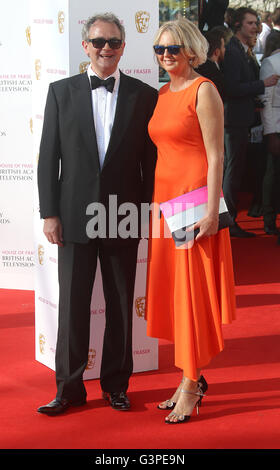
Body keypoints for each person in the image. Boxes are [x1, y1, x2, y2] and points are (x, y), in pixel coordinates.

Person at [37, 13, 157, 415]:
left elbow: (151, 162)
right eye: (99, 42)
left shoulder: (145, 95)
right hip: (72, 215)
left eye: (114, 42)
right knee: (72, 304)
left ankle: (117, 385)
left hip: (123, 214)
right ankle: (68, 388)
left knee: (122, 304)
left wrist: (145, 211)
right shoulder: (60, 92)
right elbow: (47, 159)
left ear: (124, 46)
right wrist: (49, 212)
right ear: (86, 45)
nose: (107, 49)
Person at [145, 18, 236, 424]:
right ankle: (187, 377)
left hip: (193, 204)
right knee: (175, 294)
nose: (166, 56)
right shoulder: (164, 93)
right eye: (160, 50)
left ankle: (190, 383)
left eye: (173, 49)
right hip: (165, 205)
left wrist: (210, 212)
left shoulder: (204, 91)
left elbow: (217, 155)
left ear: (191, 50)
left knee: (191, 295)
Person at [222, 7, 279, 238]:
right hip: (233, 121)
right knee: (232, 172)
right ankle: (229, 222)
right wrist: (262, 85)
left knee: (234, 170)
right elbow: (231, 88)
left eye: (256, 23)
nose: (256, 27)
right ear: (238, 26)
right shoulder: (234, 52)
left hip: (241, 118)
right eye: (251, 23)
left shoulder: (241, 50)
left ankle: (230, 221)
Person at [259, 33, 280, 237]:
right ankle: (269, 219)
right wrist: (271, 132)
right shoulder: (271, 63)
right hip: (277, 130)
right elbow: (265, 100)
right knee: (272, 175)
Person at [196, 28, 226, 101]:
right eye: (223, 46)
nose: (225, 49)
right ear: (217, 52)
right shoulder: (212, 72)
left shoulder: (198, 66)